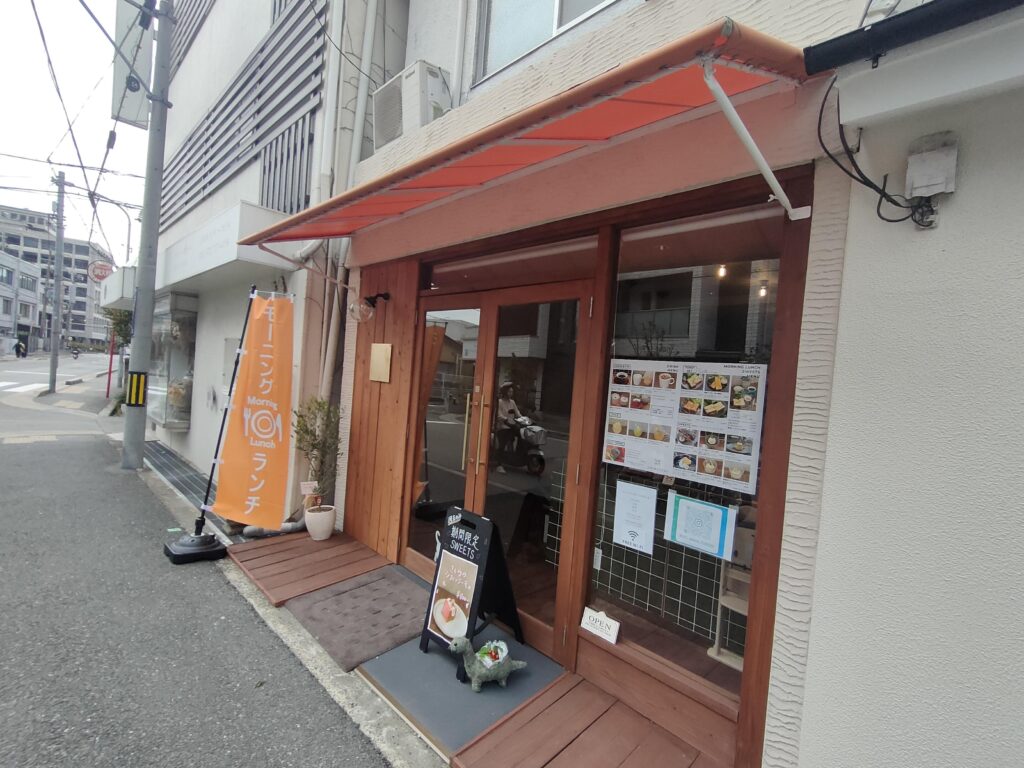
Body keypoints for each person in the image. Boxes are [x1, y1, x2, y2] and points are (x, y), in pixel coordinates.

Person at [494, 381, 522, 473]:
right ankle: (499, 465)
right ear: (505, 392)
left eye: (512, 392)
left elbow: (517, 413)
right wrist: (506, 420)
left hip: (512, 426)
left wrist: (524, 419)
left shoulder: (512, 402)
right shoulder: (500, 402)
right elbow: (499, 415)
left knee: (522, 434)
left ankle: (517, 456)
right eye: (509, 391)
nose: (511, 393)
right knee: (502, 443)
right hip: (502, 427)